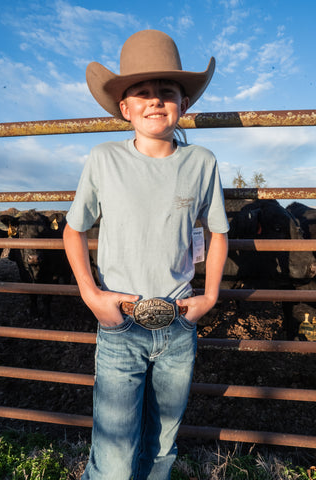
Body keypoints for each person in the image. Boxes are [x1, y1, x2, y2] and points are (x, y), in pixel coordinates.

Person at [63, 29, 229, 480]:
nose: (155, 101)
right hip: (121, 321)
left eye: (167, 92)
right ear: (125, 108)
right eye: (142, 93)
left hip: (178, 323)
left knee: (161, 446)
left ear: (184, 104)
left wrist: (209, 296)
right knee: (115, 455)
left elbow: (217, 233)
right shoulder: (103, 159)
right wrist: (91, 295)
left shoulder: (203, 163)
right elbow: (73, 230)